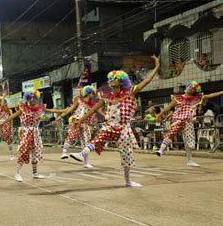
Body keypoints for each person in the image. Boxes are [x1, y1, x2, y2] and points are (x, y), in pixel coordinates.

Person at [69, 55, 161, 187]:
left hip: (124, 128)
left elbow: (146, 81)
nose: (112, 81)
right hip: (110, 125)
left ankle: (128, 181)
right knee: (99, 137)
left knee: (127, 155)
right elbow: (93, 109)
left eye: (115, 79)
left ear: (122, 82)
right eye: (111, 79)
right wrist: (81, 120)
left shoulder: (130, 92)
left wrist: (157, 66)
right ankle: (82, 154)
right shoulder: (106, 96)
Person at [0, 88, 64, 182]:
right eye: (30, 98)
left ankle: (35, 173)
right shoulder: (23, 108)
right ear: (27, 99)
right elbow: (13, 116)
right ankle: (17, 173)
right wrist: (3, 122)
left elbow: (52, 110)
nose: (33, 100)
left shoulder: (39, 108)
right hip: (25, 132)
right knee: (24, 151)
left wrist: (65, 110)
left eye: (34, 98)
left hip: (35, 133)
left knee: (35, 152)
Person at [155, 82, 223, 166]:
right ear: (187, 87)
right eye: (191, 87)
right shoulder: (178, 97)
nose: (193, 89)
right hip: (178, 119)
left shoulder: (197, 98)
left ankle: (189, 161)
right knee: (171, 133)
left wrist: (221, 92)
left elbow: (210, 95)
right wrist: (160, 114)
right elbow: (168, 108)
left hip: (188, 121)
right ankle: (161, 150)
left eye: (194, 88)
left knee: (189, 142)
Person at [54, 85, 103, 168]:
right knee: (71, 136)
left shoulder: (93, 105)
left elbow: (100, 111)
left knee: (86, 143)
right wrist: (61, 116)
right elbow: (70, 109)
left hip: (86, 123)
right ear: (88, 93)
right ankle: (64, 153)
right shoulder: (79, 100)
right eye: (92, 93)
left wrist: (107, 116)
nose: (93, 95)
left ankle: (86, 163)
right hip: (76, 121)